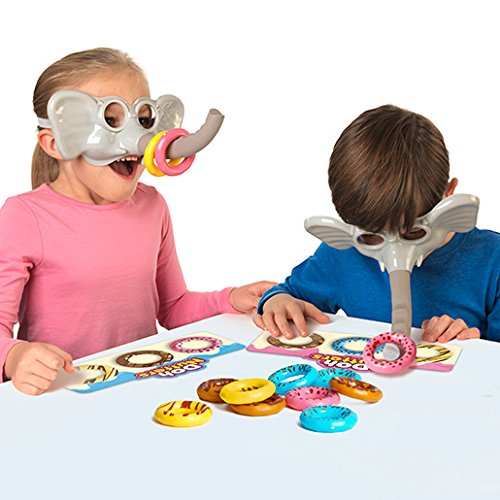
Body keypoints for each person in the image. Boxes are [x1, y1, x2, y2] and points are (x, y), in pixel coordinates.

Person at [0, 47, 274, 395]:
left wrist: (232, 298)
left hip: (141, 387)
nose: (135, 141)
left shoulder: (152, 205)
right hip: (64, 395)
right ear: (54, 143)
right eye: (111, 121)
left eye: (143, 120)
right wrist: (15, 356)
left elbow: (173, 308)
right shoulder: (25, 217)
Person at [255, 105, 499, 344]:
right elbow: (289, 295)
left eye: (413, 232)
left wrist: (473, 341)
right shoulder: (345, 251)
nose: (394, 252)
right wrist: (278, 302)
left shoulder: (492, 260)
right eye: (372, 237)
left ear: (449, 195)